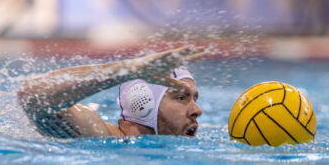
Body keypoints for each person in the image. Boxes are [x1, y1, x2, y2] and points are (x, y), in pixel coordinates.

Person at [17, 46, 205, 138]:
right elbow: (32, 96)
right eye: (181, 97)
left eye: (195, 99)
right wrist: (128, 70)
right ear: (143, 104)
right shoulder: (99, 134)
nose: (197, 110)